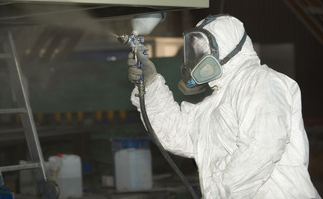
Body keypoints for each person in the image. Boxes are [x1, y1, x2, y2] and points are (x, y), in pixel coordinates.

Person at [127, 14, 321, 199]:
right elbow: (177, 134)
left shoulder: (261, 82)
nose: (196, 59)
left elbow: (261, 148)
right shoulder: (216, 103)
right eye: (193, 52)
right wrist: (151, 85)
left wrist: (217, 195)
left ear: (227, 48)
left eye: (201, 51)